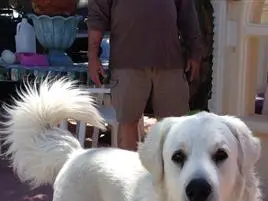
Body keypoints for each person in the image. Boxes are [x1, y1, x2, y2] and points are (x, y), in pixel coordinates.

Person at [87, 0, 204, 150]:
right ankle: (128, 173)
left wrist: (195, 51)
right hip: (127, 63)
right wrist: (92, 57)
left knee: (175, 126)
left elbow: (187, 13)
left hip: (170, 62)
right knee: (128, 122)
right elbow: (97, 16)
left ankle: (171, 173)